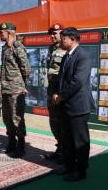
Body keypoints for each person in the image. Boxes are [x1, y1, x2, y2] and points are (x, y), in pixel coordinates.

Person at [51, 27, 95, 182]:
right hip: (65, 105)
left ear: (72, 39)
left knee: (80, 141)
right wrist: (56, 92)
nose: (60, 41)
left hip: (78, 105)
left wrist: (62, 96)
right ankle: (68, 165)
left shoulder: (83, 56)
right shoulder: (66, 56)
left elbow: (78, 81)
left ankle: (80, 170)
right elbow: (61, 78)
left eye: (63, 38)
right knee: (67, 139)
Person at [0, 22, 30, 158]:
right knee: (7, 118)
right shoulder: (5, 48)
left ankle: (21, 146)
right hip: (5, 88)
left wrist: (22, 85)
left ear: (9, 33)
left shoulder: (18, 47)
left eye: (1, 33)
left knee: (17, 118)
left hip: (16, 89)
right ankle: (11, 143)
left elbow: (26, 69)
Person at [45, 23, 66, 163]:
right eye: (51, 33)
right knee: (54, 123)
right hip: (51, 92)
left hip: (61, 94)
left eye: (55, 33)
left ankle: (66, 152)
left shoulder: (66, 49)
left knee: (63, 123)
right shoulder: (51, 49)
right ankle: (60, 149)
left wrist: (60, 93)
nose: (52, 36)